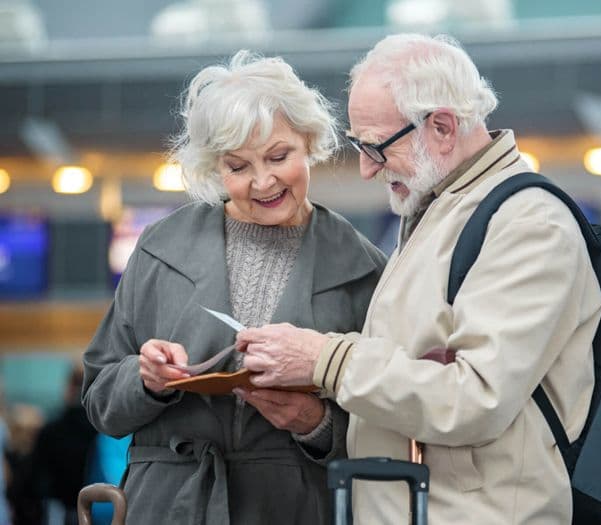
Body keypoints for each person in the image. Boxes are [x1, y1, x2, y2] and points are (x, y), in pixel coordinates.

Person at [236, 33, 601, 524]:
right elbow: (412, 371)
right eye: (358, 146)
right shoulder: (444, 208)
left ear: (444, 128)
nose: (367, 169)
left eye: (376, 147)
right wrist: (315, 408)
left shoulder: (528, 224)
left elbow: (474, 398)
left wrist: (323, 360)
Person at [81, 50, 386, 525]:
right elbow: (100, 402)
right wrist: (145, 380)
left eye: (279, 156)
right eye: (237, 166)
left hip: (292, 506)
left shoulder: (362, 267)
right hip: (168, 505)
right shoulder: (161, 247)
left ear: (309, 141)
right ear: (212, 167)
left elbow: (392, 420)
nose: (263, 181)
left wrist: (316, 424)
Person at [31, 364, 97, 525]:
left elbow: (36, 474)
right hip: (96, 505)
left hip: (58, 507)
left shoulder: (51, 429)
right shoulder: (105, 431)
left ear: (68, 387)